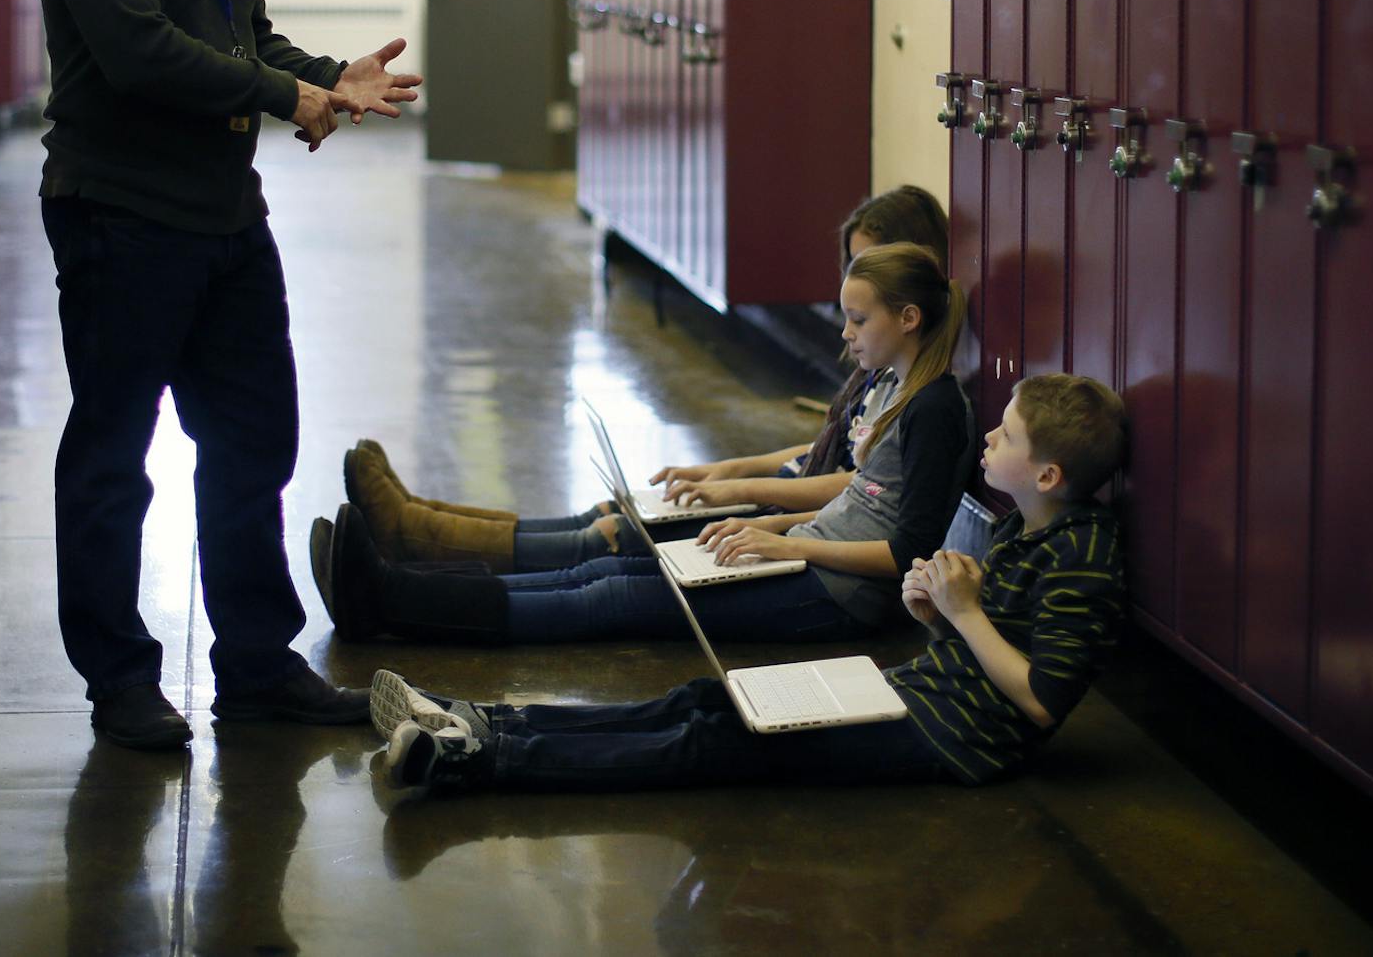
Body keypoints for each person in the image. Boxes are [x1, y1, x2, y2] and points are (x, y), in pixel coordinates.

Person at [36, 0, 423, 749]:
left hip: (221, 217)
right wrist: (282, 96)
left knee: (254, 441)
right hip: (121, 215)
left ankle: (255, 667)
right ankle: (118, 681)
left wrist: (325, 77)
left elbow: (243, 37)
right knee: (114, 453)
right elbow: (140, 52)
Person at [365, 373, 1129, 798]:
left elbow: (1037, 699)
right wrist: (935, 615)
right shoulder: (1022, 528)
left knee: (713, 740)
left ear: (1048, 475)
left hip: (953, 737)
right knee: (704, 699)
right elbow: (976, 648)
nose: (988, 440)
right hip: (919, 691)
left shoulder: (1083, 559)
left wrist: (961, 612)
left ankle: (479, 759)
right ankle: (483, 721)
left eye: (1005, 436)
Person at [312, 242, 976, 646]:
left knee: (611, 593)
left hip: (837, 599)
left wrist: (783, 539)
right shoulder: (896, 384)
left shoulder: (935, 408)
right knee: (606, 570)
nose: (846, 335)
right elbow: (857, 498)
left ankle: (392, 599)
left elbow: (906, 548)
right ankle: (404, 574)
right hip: (808, 556)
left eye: (859, 320)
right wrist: (775, 524)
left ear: (909, 318)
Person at [339, 186, 974, 572]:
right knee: (615, 511)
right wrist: (725, 471)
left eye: (863, 281)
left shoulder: (921, 391)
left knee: (614, 539)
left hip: (800, 521)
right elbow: (823, 451)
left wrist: (742, 491)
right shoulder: (881, 364)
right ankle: (420, 523)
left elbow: (857, 489)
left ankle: (419, 542)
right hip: (792, 507)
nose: (845, 324)